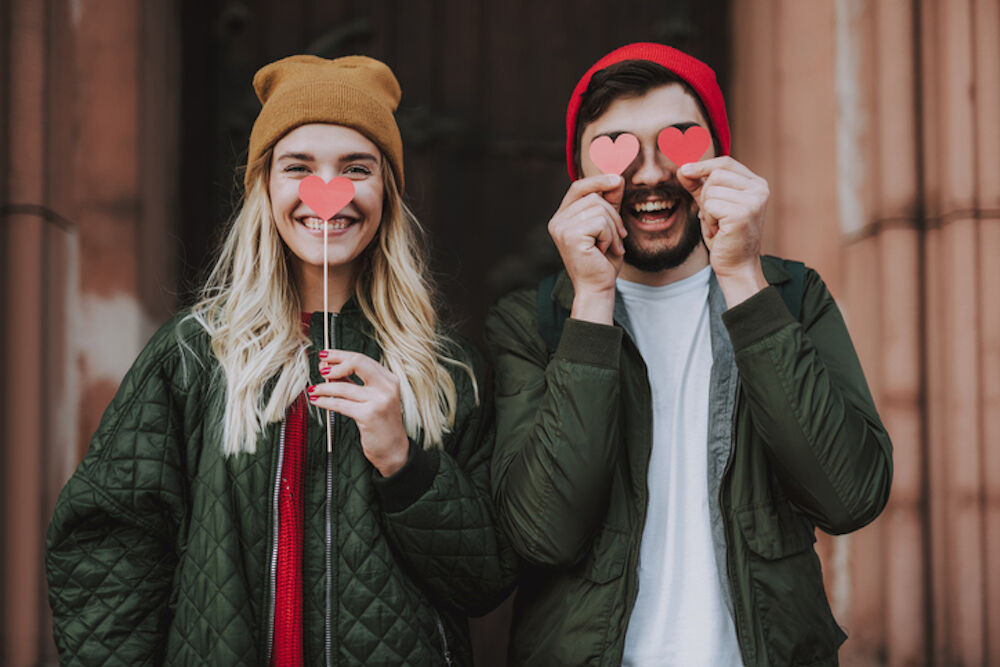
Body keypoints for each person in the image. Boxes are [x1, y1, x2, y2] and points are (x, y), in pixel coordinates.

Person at [46, 54, 514, 666]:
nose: (331, 191)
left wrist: (405, 463)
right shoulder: (193, 354)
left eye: (357, 168)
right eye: (299, 167)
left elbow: (485, 583)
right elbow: (106, 541)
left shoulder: (446, 371)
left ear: (387, 192)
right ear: (266, 187)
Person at [486, 42, 892, 666]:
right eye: (618, 148)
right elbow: (544, 534)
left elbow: (849, 496)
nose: (649, 174)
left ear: (720, 160)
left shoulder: (790, 295)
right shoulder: (532, 322)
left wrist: (743, 279)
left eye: (676, 141)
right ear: (583, 177)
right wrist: (591, 301)